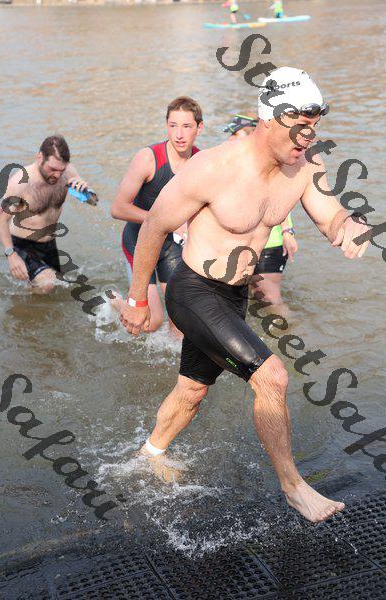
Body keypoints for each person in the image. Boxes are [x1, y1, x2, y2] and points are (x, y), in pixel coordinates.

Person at [113, 67, 371, 523]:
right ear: (268, 120)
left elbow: (329, 216)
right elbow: (153, 226)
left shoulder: (305, 166)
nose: (308, 137)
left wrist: (348, 226)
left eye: (314, 127)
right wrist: (137, 300)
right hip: (193, 290)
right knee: (272, 378)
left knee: (192, 390)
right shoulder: (213, 167)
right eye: (300, 127)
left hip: (234, 296)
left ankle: (147, 455)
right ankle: (293, 487)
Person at [111, 96, 203, 333]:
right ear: (166, 126)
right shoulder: (148, 158)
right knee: (151, 323)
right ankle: (117, 303)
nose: (179, 134)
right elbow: (118, 208)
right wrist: (167, 223)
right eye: (173, 126)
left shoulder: (201, 162)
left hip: (171, 245)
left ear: (199, 128)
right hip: (138, 241)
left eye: (187, 126)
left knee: (180, 322)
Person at [0, 135, 91, 294]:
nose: (57, 175)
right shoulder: (20, 183)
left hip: (49, 244)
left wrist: (86, 191)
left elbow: (92, 201)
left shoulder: (68, 171)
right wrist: (11, 255)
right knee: (48, 284)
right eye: (52, 169)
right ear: (40, 157)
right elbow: (1, 221)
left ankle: (24, 302)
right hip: (23, 244)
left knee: (57, 289)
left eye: (61, 170)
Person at [224, 113, 298, 309]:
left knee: (270, 299)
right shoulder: (230, 164)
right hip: (239, 243)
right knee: (244, 296)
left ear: (252, 136)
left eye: (236, 134)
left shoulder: (268, 164)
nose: (230, 140)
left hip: (269, 243)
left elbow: (280, 199)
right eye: (230, 135)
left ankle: (288, 326)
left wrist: (287, 231)